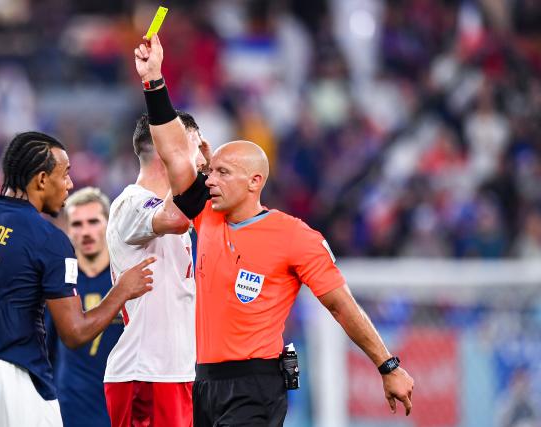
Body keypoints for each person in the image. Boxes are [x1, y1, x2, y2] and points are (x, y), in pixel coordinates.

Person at [133, 35, 415, 426]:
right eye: (210, 171)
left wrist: (388, 366)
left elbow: (340, 304)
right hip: (203, 383)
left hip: (255, 386)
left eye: (222, 173)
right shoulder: (205, 214)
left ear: (254, 181)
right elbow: (174, 153)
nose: (209, 179)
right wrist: (153, 81)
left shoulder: (295, 236)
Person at [0, 131, 157, 427]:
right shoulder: (49, 239)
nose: (70, 184)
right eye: (65, 174)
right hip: (14, 373)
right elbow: (74, 332)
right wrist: (121, 290)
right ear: (42, 180)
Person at [103, 112, 208, 426]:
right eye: (194, 145)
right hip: (146, 374)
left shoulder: (173, 205)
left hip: (176, 371)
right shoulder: (131, 204)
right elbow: (174, 219)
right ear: (168, 151)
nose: (202, 156)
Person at [45, 187, 123, 427]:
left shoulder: (127, 277)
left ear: (109, 224)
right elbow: (45, 351)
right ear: (67, 230)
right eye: (77, 224)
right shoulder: (56, 283)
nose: (86, 232)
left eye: (93, 222)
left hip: (123, 404)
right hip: (71, 410)